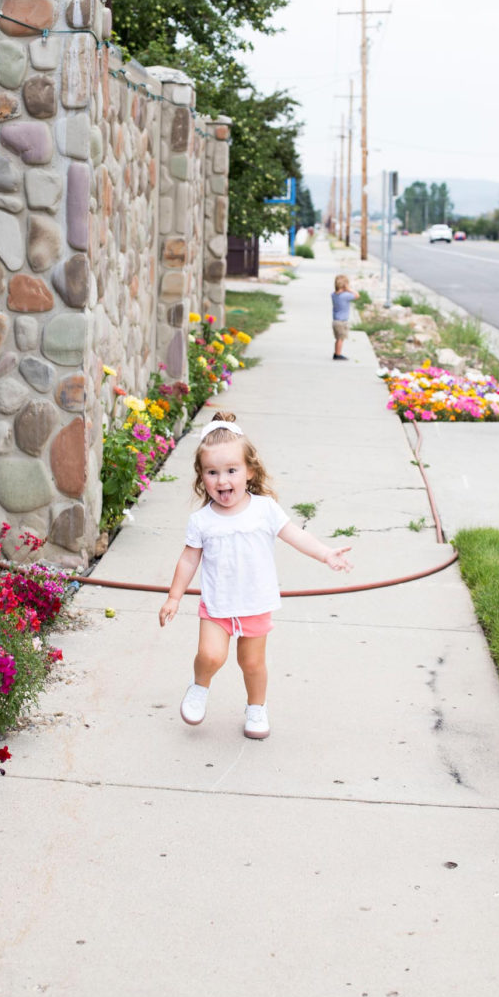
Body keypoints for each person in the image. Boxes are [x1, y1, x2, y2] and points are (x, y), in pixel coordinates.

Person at [159, 412, 353, 740]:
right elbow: (189, 560)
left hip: (254, 603)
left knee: (252, 664)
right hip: (217, 603)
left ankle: (256, 708)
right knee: (211, 655)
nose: (222, 481)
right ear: (201, 476)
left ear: (249, 471)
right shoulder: (202, 520)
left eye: (231, 471)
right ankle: (199, 686)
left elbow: (295, 535)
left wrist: (325, 554)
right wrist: (174, 596)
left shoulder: (264, 509)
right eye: (212, 472)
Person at [331, 274, 359, 360]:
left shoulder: (333, 295)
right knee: (341, 338)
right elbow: (357, 295)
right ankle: (338, 354)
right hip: (342, 322)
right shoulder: (345, 296)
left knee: (338, 338)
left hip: (335, 321)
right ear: (344, 285)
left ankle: (336, 353)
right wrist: (349, 289)